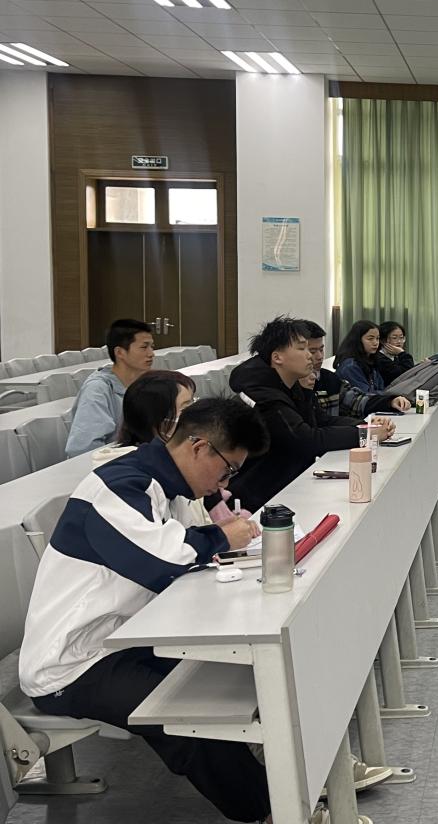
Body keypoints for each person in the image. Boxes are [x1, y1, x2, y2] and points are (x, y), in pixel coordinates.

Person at [20, 399, 269, 822]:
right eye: (227, 469)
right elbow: (164, 561)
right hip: (73, 665)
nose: (225, 483)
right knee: (189, 720)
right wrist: (222, 537)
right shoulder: (119, 486)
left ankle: (298, 782)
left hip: (124, 640)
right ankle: (274, 811)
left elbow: (182, 556)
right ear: (199, 447)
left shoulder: (166, 487)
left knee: (240, 675)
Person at [226, 316, 394, 511]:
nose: (311, 356)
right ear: (277, 357)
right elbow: (307, 440)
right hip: (257, 499)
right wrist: (365, 434)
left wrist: (367, 426)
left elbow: (320, 420)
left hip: (286, 487)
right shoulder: (264, 396)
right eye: (302, 349)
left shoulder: (290, 385)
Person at [65, 318, 155, 458]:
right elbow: (83, 449)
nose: (151, 353)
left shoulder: (143, 383)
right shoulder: (97, 390)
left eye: (152, 347)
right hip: (111, 464)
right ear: (119, 352)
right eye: (144, 347)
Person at [301, 320, 408, 420]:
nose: (320, 356)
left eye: (321, 350)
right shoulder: (350, 366)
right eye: (312, 351)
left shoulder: (329, 378)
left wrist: (390, 402)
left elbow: (357, 400)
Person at [92, 370, 197, 465]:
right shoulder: (133, 467)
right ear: (155, 417)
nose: (196, 412)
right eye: (185, 408)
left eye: (194, 403)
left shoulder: (177, 453)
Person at [334, 320, 386, 396]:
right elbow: (365, 394)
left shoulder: (370, 360)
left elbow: (381, 388)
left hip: (376, 400)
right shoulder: (350, 366)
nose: (376, 343)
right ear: (358, 340)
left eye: (377, 338)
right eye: (370, 339)